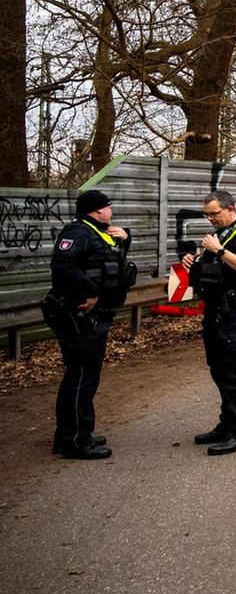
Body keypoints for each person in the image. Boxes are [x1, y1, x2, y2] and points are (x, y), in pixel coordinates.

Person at [44, 189, 132, 460]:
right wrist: (91, 291)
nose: (111, 211)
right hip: (77, 314)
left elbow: (107, 262)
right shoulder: (77, 233)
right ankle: (74, 441)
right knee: (81, 377)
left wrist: (125, 240)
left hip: (94, 316)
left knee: (85, 376)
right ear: (97, 210)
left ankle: (74, 433)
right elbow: (62, 266)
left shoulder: (97, 232)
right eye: (108, 207)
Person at [183, 190, 236, 456]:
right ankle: (227, 424)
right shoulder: (219, 237)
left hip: (234, 312)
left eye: (214, 214)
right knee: (218, 369)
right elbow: (207, 274)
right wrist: (192, 264)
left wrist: (219, 250)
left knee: (235, 372)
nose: (211, 219)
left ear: (230, 209)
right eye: (207, 215)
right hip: (214, 311)